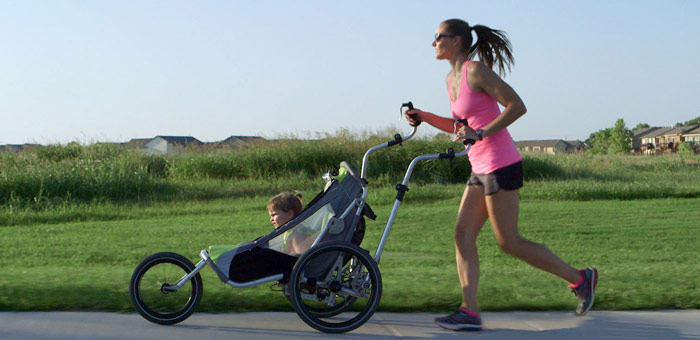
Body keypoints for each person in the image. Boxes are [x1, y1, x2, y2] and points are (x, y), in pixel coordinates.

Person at [405, 19, 597, 332]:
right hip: (478, 166)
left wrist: (480, 133)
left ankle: (580, 278)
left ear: (456, 41)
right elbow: (461, 127)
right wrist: (425, 117)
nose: (433, 43)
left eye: (438, 37)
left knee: (509, 242)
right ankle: (469, 312)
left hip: (500, 163)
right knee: (462, 235)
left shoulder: (476, 71)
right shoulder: (450, 78)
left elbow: (516, 106)